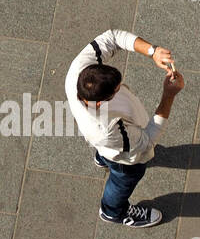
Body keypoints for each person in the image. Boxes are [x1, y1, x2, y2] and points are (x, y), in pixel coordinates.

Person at [65, 28, 184, 227]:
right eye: (117, 90)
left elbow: (112, 37)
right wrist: (169, 95)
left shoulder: (79, 69)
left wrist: (152, 51)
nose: (122, 88)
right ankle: (113, 211)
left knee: (107, 153)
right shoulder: (106, 128)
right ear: (102, 102)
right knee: (124, 177)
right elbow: (147, 142)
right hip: (125, 155)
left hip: (112, 142)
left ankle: (102, 157)